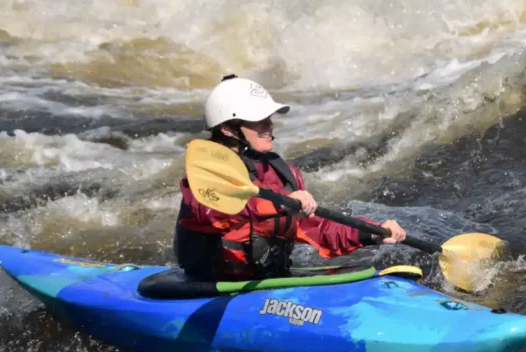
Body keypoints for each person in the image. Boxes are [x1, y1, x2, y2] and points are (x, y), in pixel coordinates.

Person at [174, 74, 407, 281]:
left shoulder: (281, 174)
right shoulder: (206, 174)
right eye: (258, 119)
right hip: (210, 287)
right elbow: (216, 211)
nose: (269, 125)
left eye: (268, 117)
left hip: (267, 283)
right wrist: (280, 203)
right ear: (228, 129)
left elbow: (318, 228)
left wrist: (372, 232)